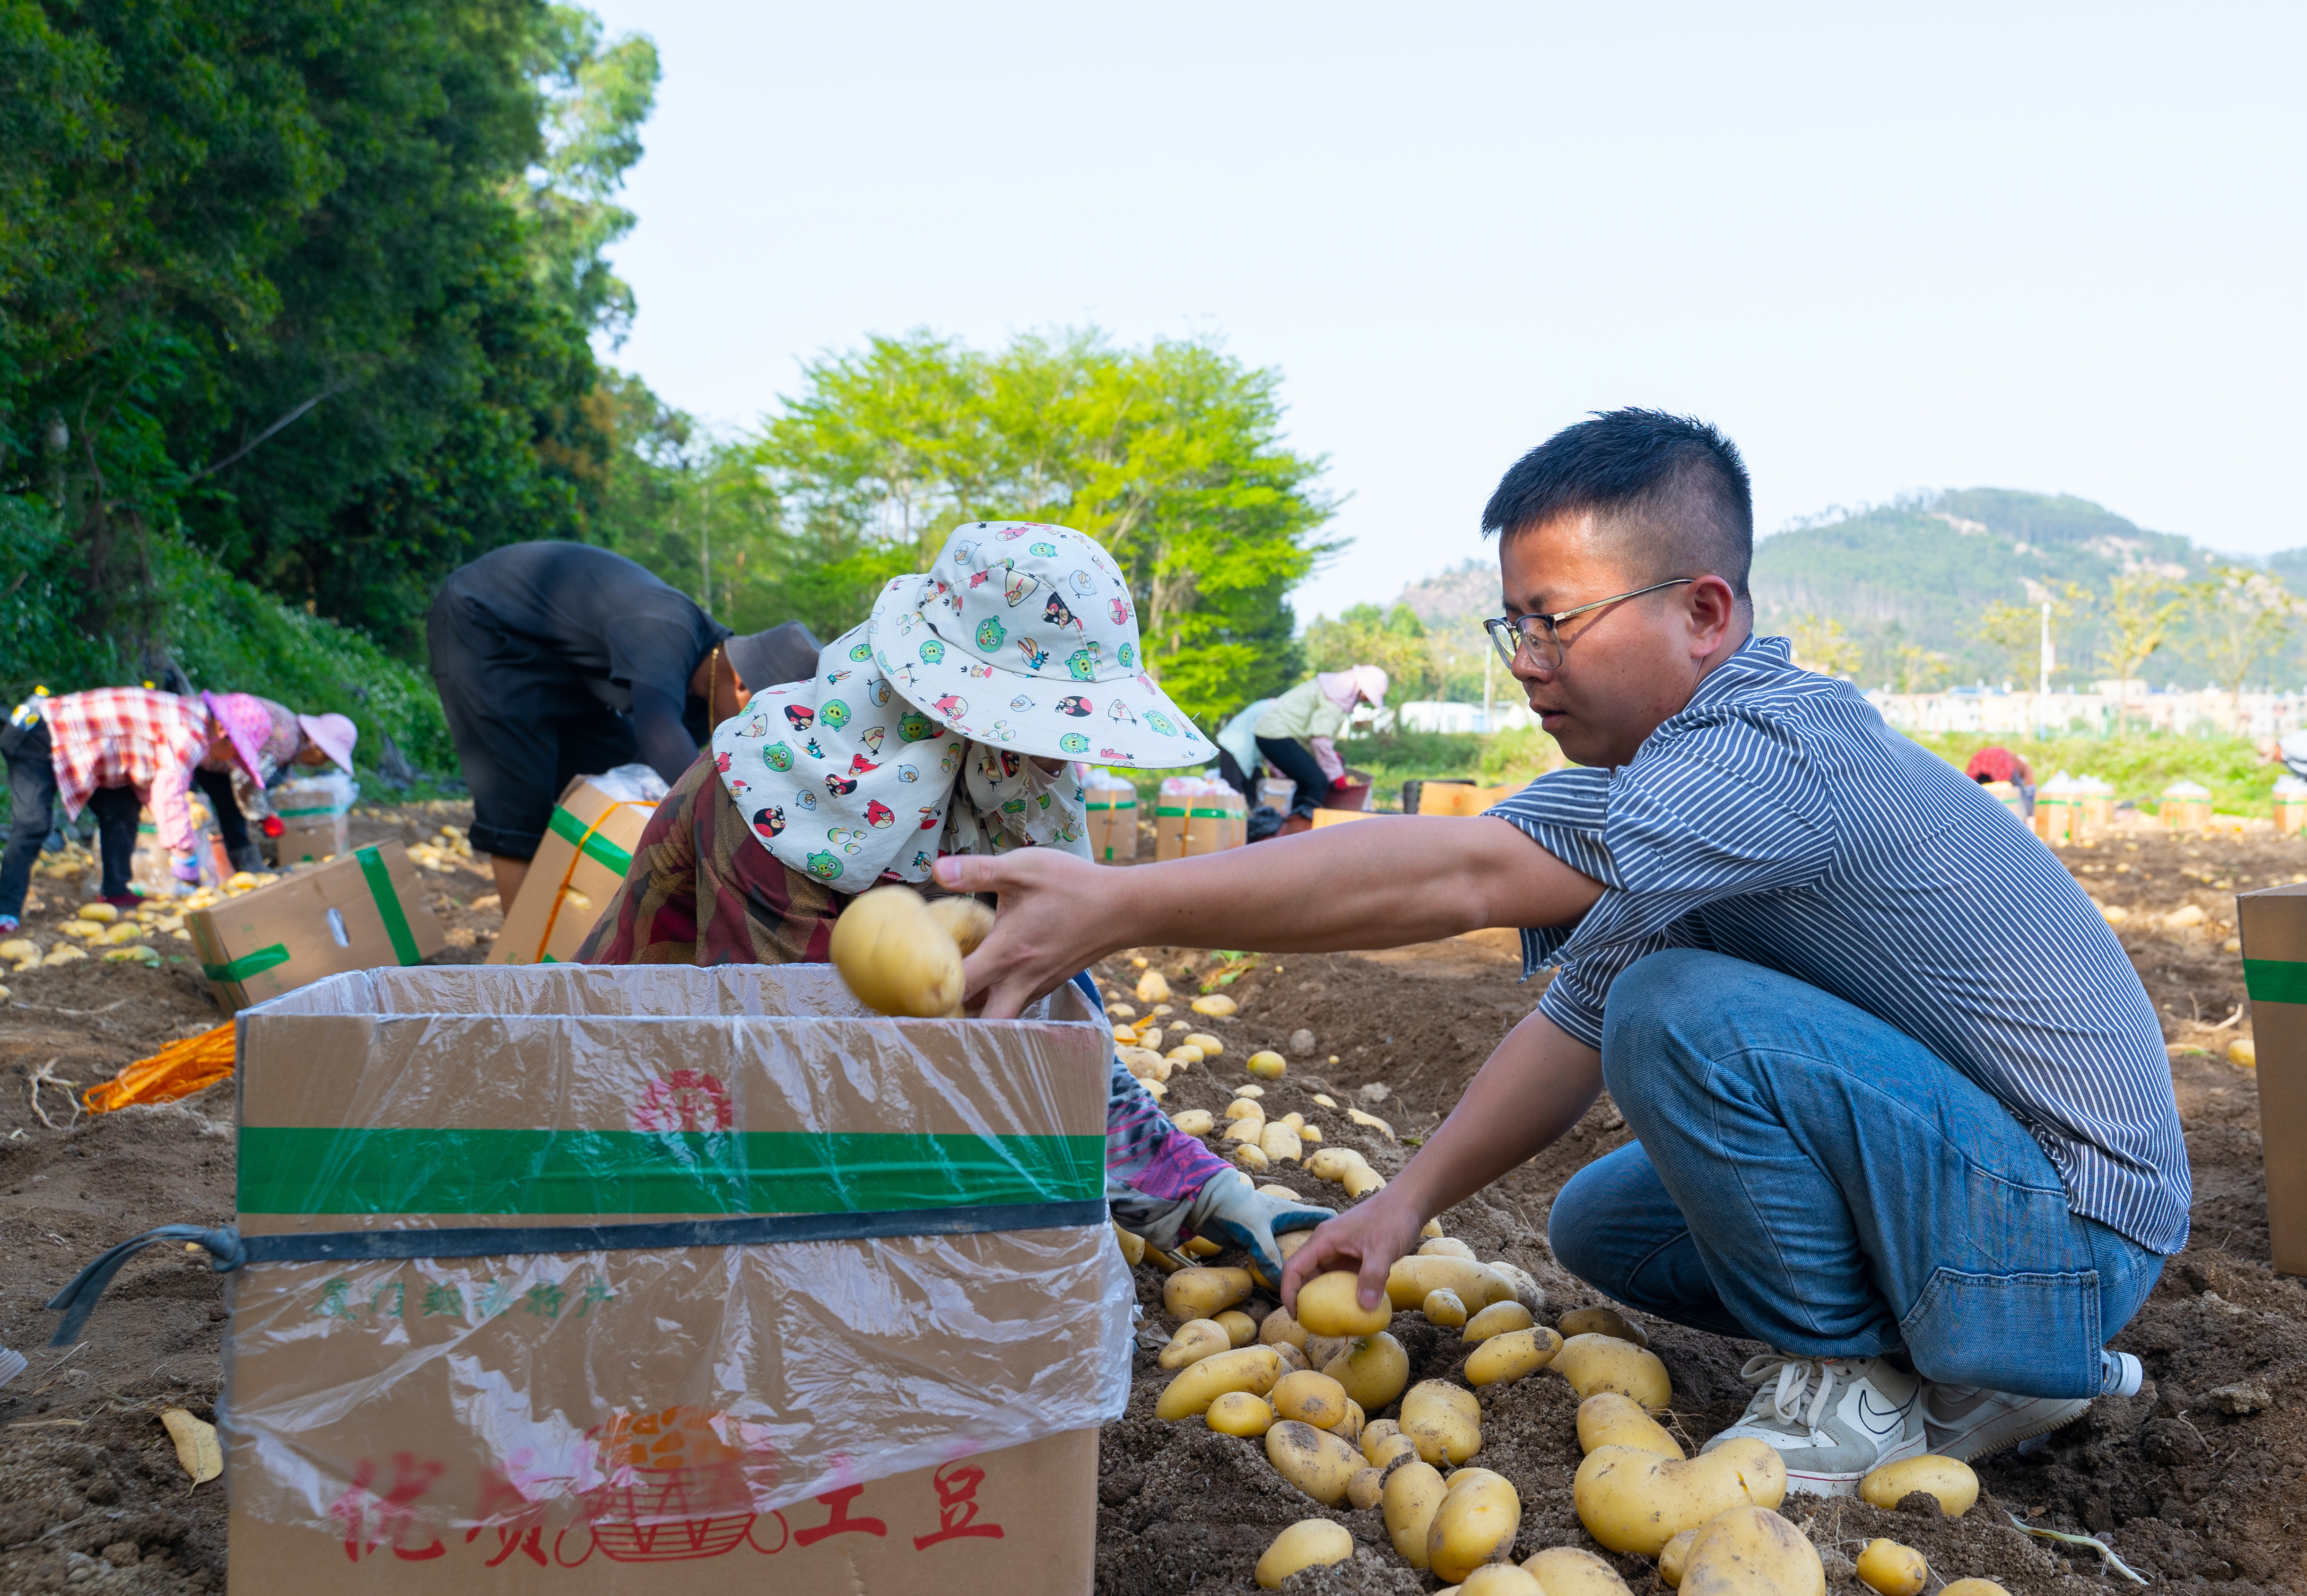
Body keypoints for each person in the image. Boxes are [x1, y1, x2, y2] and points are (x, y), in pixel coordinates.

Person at [935, 411, 2179, 1495]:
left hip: (2067, 1225)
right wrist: (1399, 1205)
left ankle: (1883, 1378)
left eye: (1555, 621)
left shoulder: (1770, 755)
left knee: (1674, 1006)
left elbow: (1459, 873)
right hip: (1979, 1200)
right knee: (1600, 1222)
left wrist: (1121, 902)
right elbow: (1564, 1021)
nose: (1525, 661)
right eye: (1509, 623)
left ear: (1701, 613)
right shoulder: (1653, 787)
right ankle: (1988, 1362)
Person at [577, 521, 1333, 1278]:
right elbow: (800, 1092)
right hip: (633, 1134)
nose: (1061, 756)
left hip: (808, 1121)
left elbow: (1048, 1027)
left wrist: (1202, 1190)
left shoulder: (1010, 792)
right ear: (946, 710)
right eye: (1042, 723)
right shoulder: (788, 798)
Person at [426, 541, 822, 909]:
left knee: (614, 785)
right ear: (741, 685)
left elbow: (648, 775)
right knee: (519, 798)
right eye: (755, 721)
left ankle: (578, 923)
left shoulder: (701, 692)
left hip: (559, 668)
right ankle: (527, 963)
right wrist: (740, 823)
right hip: (485, 625)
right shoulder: (668, 629)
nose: (747, 734)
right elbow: (658, 738)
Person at [0, 687, 263, 930]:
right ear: (224, 735)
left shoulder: (190, 717)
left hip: (74, 741)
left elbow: (152, 783)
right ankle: (6, 911)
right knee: (33, 823)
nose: (232, 760)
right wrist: (186, 858)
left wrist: (171, 832)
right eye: (236, 753)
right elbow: (169, 791)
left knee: (121, 805)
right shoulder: (189, 732)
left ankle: (116, 892)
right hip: (38, 735)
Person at [192, 693, 358, 873]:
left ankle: (244, 866)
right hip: (198, 739)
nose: (322, 764)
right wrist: (264, 817)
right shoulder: (285, 741)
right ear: (314, 744)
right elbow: (246, 781)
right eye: (325, 757)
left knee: (230, 809)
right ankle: (234, 868)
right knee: (196, 809)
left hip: (214, 753)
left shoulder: (290, 729)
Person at [1216, 666, 1388, 826]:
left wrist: (1330, 758)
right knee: (1318, 782)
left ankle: (1292, 831)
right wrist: (1336, 774)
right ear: (1361, 688)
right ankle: (1301, 836)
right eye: (1367, 697)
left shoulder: (1331, 688)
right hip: (1268, 738)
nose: (1365, 701)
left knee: (1307, 782)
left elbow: (1308, 735)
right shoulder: (1336, 695)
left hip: (1271, 736)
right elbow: (1319, 739)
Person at [1966, 744, 2035, 815]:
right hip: (1998, 758)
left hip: (1979, 759)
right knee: (2020, 795)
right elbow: (2031, 789)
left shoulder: (2012, 758)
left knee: (1976, 793)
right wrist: (2030, 811)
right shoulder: (2025, 766)